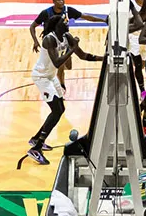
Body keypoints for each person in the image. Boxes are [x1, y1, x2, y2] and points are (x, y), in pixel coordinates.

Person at [29, 24, 100, 164]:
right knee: (56, 111)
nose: (67, 23)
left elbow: (83, 55)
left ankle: (36, 139)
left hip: (51, 76)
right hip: (41, 77)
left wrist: (104, 59)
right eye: (64, 21)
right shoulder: (49, 40)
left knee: (60, 109)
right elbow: (57, 62)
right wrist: (72, 49)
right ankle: (36, 148)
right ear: (56, 27)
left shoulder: (67, 37)